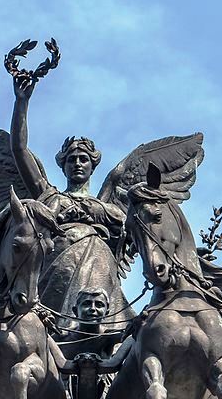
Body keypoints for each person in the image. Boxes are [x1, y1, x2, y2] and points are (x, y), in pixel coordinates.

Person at [9, 73, 132, 329]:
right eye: (72, 159)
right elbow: (19, 150)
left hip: (100, 265)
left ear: (92, 165)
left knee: (101, 318)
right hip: (55, 266)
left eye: (83, 159)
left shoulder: (108, 206)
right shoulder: (48, 194)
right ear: (63, 166)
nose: (77, 163)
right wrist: (22, 102)